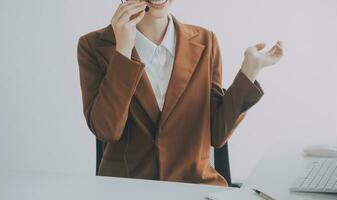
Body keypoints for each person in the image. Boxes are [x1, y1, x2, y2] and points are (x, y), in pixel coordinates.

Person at [77, 0, 283, 186]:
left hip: (194, 188)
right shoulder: (93, 46)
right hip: (128, 189)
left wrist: (250, 69)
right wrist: (123, 49)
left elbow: (217, 134)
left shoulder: (206, 41)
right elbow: (106, 130)